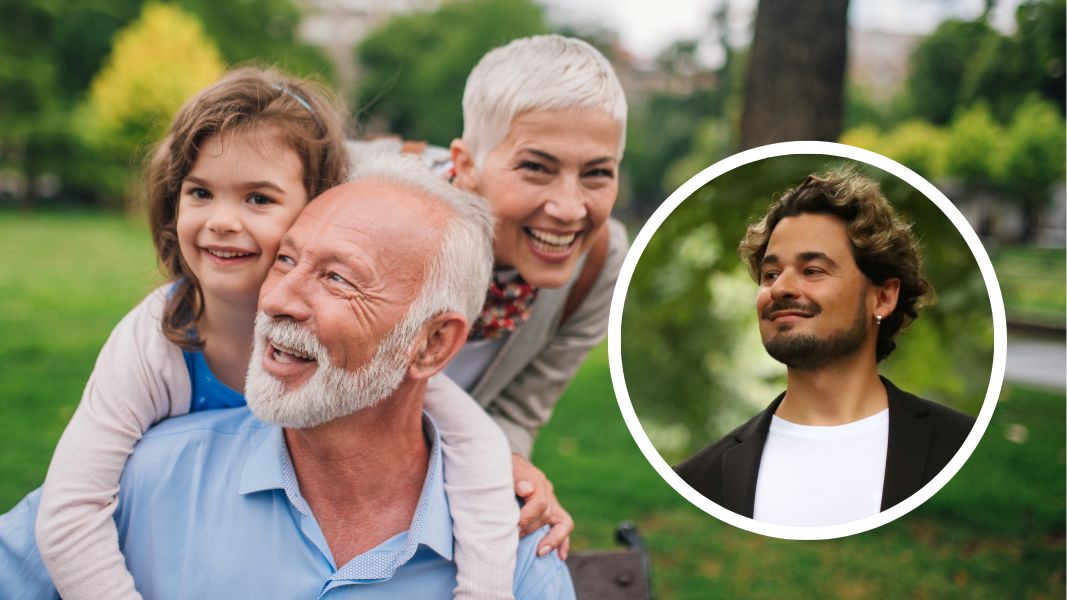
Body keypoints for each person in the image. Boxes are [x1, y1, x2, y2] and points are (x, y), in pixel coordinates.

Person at [33, 68, 518, 600]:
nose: (221, 220)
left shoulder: (369, 352)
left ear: (318, 206)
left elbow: (476, 448)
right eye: (200, 192)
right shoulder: (156, 339)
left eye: (258, 199)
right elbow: (70, 511)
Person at [675, 170, 976, 527]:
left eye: (813, 270)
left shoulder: (960, 447)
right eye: (770, 274)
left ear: (882, 297)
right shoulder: (701, 479)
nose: (780, 288)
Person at [446, 34, 630, 558]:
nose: (571, 209)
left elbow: (518, 411)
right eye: (536, 167)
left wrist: (513, 476)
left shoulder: (597, 264)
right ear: (465, 167)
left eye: (596, 173)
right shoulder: (383, 220)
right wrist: (482, 457)